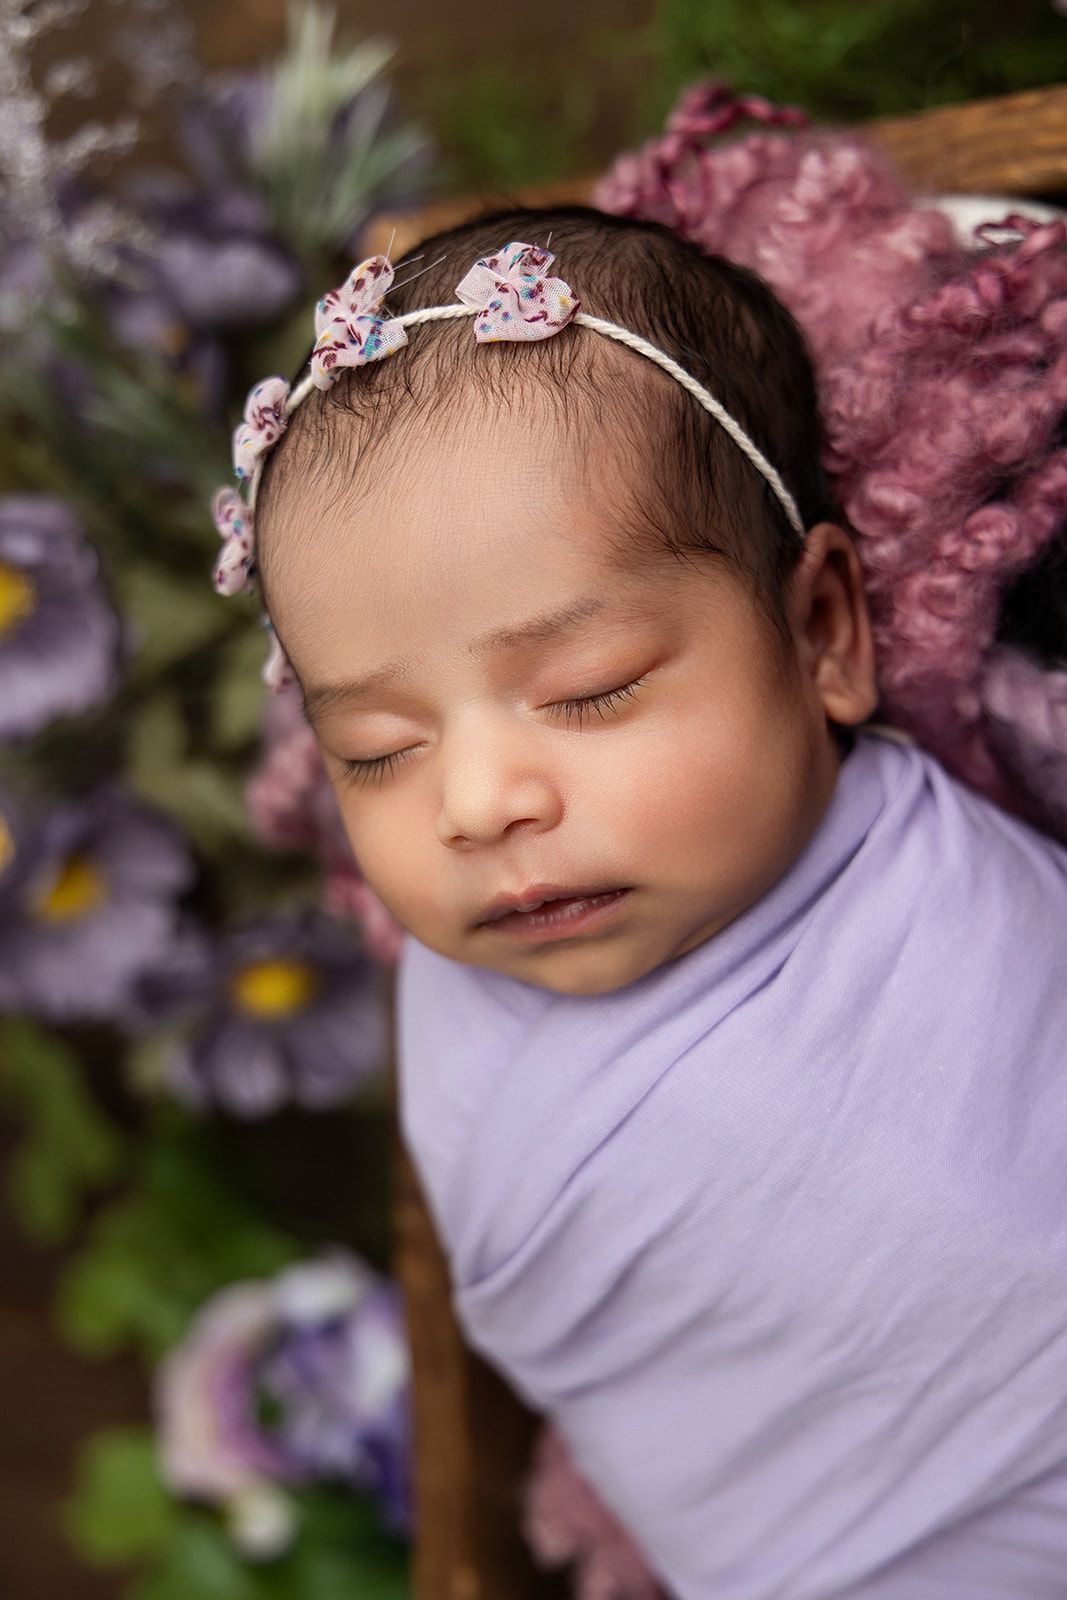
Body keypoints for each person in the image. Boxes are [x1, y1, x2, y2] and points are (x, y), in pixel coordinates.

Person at [211, 205, 1067, 1599]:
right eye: (376, 750)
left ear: (824, 631)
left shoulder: (960, 921)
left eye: (593, 687)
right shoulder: (463, 1003)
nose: (475, 803)